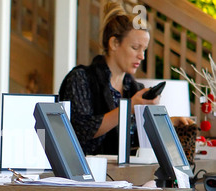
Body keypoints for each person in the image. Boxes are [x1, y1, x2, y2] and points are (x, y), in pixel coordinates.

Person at [59, 1, 193, 156]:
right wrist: (129, 107)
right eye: (135, 48)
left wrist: (170, 122)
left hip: (124, 175)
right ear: (114, 43)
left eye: (144, 50)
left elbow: (138, 136)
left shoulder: (135, 88)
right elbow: (81, 130)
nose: (142, 56)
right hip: (85, 174)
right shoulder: (81, 79)